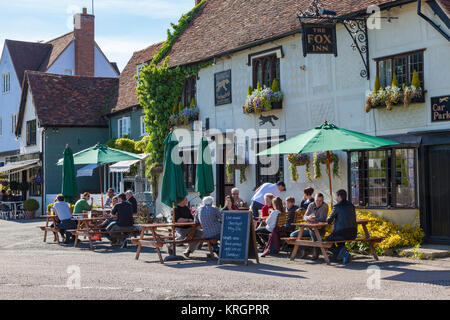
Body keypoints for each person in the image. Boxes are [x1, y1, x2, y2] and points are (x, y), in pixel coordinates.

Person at [290, 193, 329, 259]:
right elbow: (305, 216)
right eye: (317, 200)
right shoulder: (311, 205)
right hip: (309, 228)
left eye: (320, 201)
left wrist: (313, 219)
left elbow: (322, 219)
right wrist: (309, 218)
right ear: (314, 199)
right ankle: (305, 249)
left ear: (323, 200)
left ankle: (315, 254)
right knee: (293, 235)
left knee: (313, 232)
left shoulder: (325, 206)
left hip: (320, 229)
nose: (318, 202)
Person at [325, 189, 357, 264]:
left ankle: (344, 253)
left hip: (342, 233)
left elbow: (328, 220)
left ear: (339, 196)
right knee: (340, 242)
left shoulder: (337, 206)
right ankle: (339, 256)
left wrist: (333, 223)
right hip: (353, 233)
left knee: (326, 240)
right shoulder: (351, 205)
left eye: (336, 196)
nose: (336, 198)